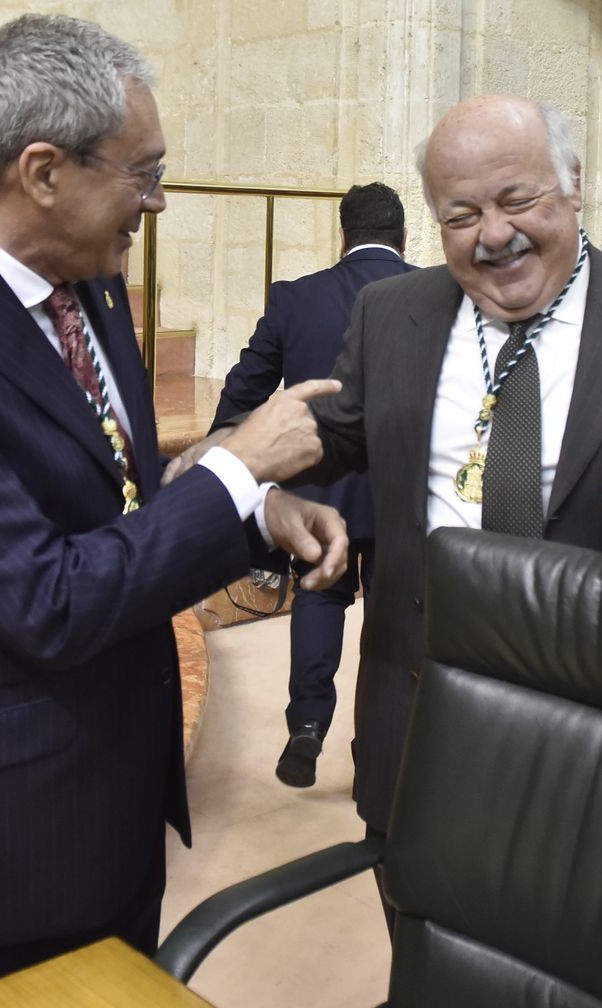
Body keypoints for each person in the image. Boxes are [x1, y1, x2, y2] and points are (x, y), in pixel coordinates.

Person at [0, 14, 346, 973]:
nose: (160, 202)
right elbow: (46, 598)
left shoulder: (89, 285)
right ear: (45, 173)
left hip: (111, 791)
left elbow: (115, 500)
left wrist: (255, 514)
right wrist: (238, 468)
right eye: (143, 173)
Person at [172, 95, 602, 885]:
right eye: (461, 215)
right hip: (422, 717)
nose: (494, 234)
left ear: (573, 185)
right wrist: (256, 482)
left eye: (518, 199)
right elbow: (332, 438)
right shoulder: (391, 314)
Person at [208, 181, 415, 788]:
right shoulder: (433, 297)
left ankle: (306, 727)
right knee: (391, 611)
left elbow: (244, 389)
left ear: (343, 236)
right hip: (401, 488)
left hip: (321, 483)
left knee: (320, 596)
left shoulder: (296, 299)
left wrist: (234, 458)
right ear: (402, 238)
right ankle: (378, 742)